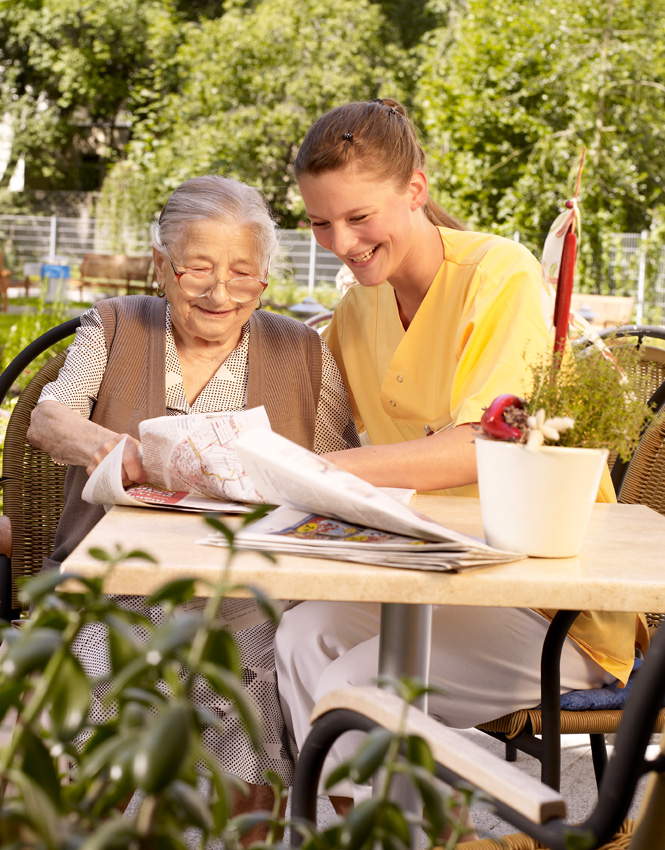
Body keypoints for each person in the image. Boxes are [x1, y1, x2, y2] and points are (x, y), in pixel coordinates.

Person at [274, 98, 648, 806]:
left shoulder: (496, 275)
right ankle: (359, 830)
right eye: (321, 223)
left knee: (351, 688)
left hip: (546, 604)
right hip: (437, 574)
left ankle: (400, 834)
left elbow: (484, 444)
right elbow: (323, 420)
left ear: (414, 191)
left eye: (359, 217)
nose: (341, 242)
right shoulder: (357, 308)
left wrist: (320, 471)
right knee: (300, 636)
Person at [27, 174, 360, 826]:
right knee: (105, 693)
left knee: (264, 654)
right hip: (115, 582)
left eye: (243, 274)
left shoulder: (301, 348)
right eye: (197, 270)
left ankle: (243, 833)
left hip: (245, 591)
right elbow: (48, 422)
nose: (219, 293)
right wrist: (136, 456)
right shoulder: (116, 325)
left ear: (265, 277)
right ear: (160, 267)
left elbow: (334, 471)